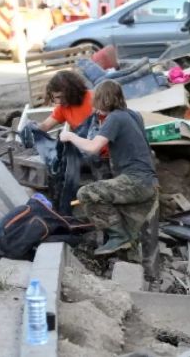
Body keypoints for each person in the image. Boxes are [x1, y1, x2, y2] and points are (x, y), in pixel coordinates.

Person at [59, 80, 157, 255]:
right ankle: (128, 253)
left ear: (103, 100)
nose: (95, 110)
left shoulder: (114, 118)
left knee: (86, 194)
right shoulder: (133, 115)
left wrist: (70, 136)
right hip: (149, 181)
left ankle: (118, 237)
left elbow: (92, 148)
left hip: (136, 182)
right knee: (127, 224)